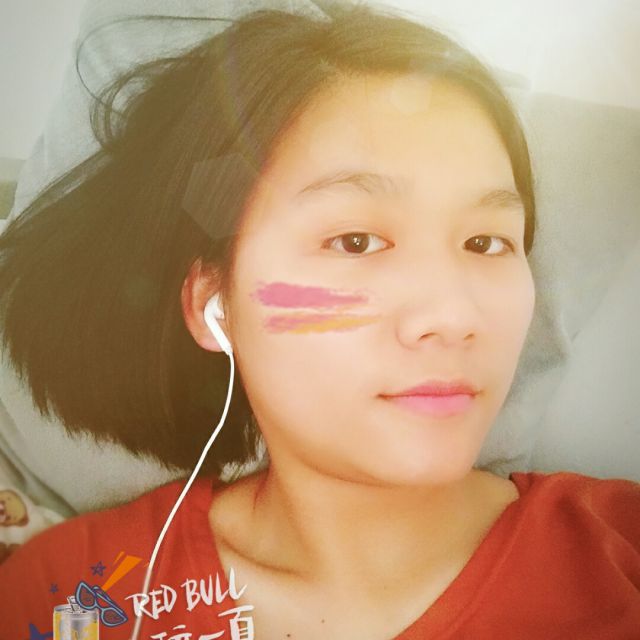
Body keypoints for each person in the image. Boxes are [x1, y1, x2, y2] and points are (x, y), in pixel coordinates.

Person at [0, 2, 638, 639]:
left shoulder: (621, 548)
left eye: (486, 242)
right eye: (356, 242)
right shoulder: (73, 593)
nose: (453, 317)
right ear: (214, 306)